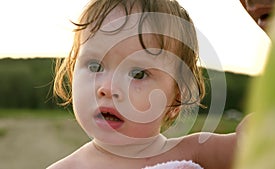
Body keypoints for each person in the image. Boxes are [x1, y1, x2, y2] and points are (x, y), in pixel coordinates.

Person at [47, 0, 239, 169]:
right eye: (95, 66)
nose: (108, 88)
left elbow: (263, 141)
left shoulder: (198, 152)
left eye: (138, 74)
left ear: (176, 97)